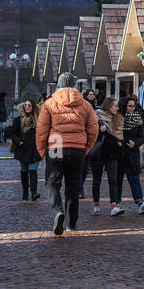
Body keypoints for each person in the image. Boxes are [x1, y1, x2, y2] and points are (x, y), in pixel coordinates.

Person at [36, 72, 98, 235]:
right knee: (72, 185)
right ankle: (71, 223)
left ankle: (58, 210)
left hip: (56, 143)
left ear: (59, 84)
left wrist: (42, 150)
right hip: (77, 146)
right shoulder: (85, 105)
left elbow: (42, 130)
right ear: (75, 85)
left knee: (52, 182)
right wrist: (86, 148)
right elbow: (93, 129)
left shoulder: (49, 103)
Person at [90, 97, 124, 216]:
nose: (117, 108)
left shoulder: (118, 118)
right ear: (109, 107)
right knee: (97, 180)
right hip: (99, 152)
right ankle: (96, 204)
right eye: (115, 106)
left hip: (112, 152)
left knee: (113, 179)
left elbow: (120, 135)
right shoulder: (96, 116)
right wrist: (99, 130)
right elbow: (89, 131)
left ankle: (114, 205)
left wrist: (120, 141)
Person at [118, 95, 144, 214]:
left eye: (133, 106)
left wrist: (136, 143)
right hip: (120, 153)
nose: (132, 108)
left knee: (135, 178)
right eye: (129, 106)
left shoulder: (138, 119)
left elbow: (142, 136)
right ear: (124, 106)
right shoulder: (118, 118)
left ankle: (140, 202)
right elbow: (114, 133)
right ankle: (116, 203)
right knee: (118, 179)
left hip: (133, 153)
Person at [8, 99, 43, 200]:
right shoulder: (18, 120)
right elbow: (13, 133)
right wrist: (19, 141)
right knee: (24, 171)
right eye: (25, 105)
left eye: (29, 105)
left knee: (33, 170)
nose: (27, 107)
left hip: (35, 149)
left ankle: (34, 192)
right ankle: (25, 192)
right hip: (22, 148)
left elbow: (43, 133)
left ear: (33, 107)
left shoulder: (39, 120)